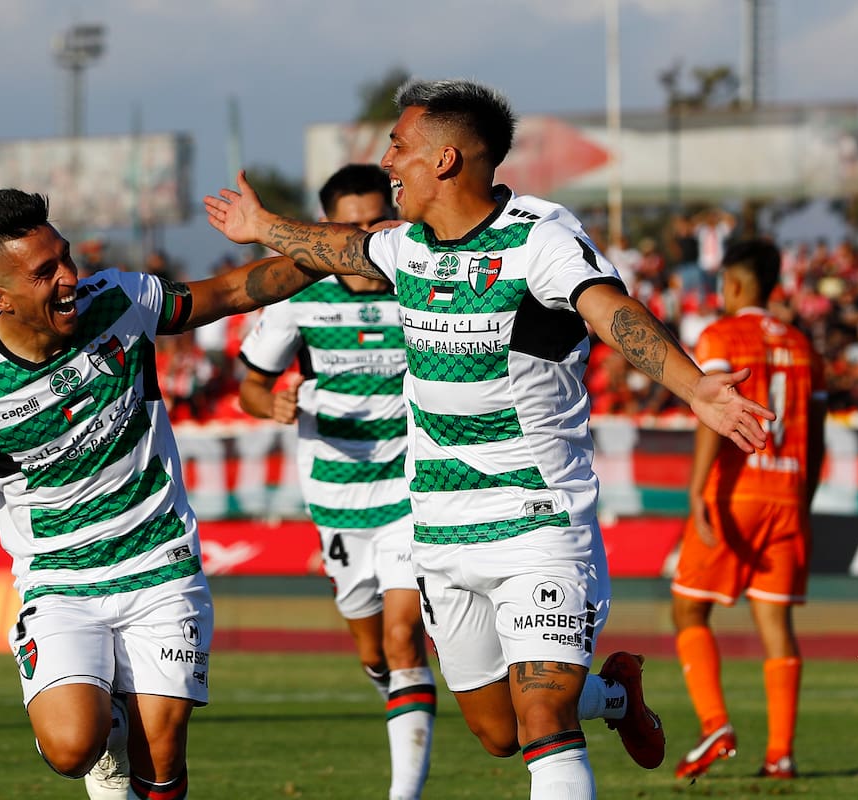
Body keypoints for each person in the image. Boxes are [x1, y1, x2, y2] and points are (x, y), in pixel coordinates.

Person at [204, 78, 774, 799]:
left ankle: (579, 704)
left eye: (399, 147)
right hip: (440, 532)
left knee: (541, 716)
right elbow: (339, 247)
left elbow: (608, 310)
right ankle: (618, 697)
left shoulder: (541, 237)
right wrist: (265, 225)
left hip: (539, 520)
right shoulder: (406, 248)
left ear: (444, 160)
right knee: (497, 731)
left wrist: (696, 388)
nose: (388, 162)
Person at [0, 188, 335, 800]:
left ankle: (128, 738)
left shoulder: (121, 300)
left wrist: (343, 252)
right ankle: (104, 739)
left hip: (159, 560)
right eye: (45, 272)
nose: (70, 277)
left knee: (161, 756)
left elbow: (232, 292)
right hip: (59, 582)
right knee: (75, 747)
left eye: (66, 258)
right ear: (0, 297)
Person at [237, 163, 434, 800]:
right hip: (335, 497)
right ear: (326, 228)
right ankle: (391, 687)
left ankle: (403, 792)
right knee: (373, 649)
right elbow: (250, 387)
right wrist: (273, 406)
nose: (365, 234)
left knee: (406, 635)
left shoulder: (421, 285)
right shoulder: (298, 294)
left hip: (412, 487)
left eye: (378, 220)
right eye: (350, 225)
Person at [670, 239, 826, 781]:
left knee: (688, 609)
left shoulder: (721, 334)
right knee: (776, 622)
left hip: (737, 491)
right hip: (789, 496)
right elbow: (820, 435)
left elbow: (717, 409)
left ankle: (715, 723)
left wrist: (696, 491)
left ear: (733, 285)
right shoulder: (805, 347)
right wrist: (802, 501)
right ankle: (780, 755)